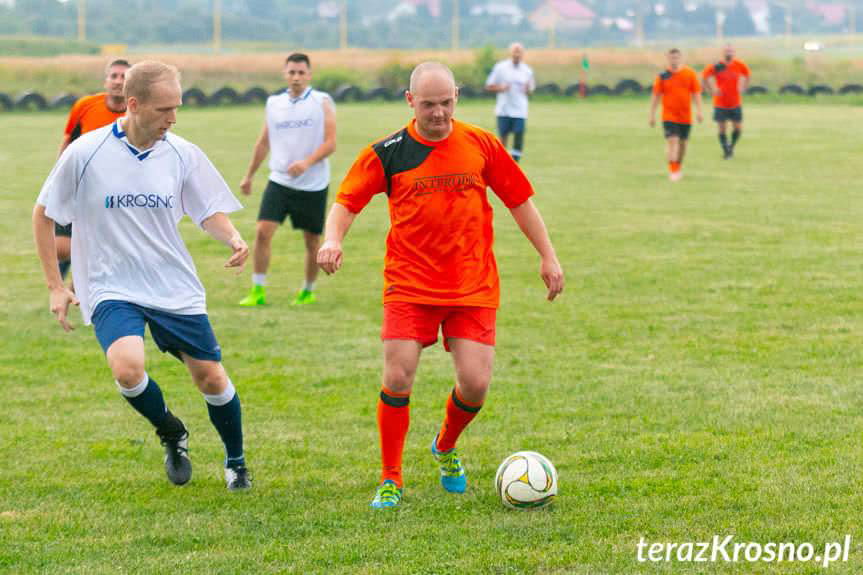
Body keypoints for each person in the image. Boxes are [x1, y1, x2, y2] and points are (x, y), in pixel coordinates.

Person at [317, 62, 564, 509]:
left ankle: (445, 446)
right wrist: (333, 239)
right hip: (410, 284)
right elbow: (347, 201)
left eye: (446, 103)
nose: (438, 113)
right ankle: (391, 478)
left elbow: (520, 200)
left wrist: (547, 255)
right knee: (397, 375)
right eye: (428, 104)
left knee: (475, 385)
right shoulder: (388, 152)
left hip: (472, 284)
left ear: (457, 97)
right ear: (410, 101)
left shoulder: (481, 144)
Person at [33, 61, 252, 491]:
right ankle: (172, 432)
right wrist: (56, 287)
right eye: (164, 109)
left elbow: (206, 208)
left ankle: (236, 460)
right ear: (133, 105)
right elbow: (43, 216)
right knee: (128, 369)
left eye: (177, 108)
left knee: (210, 376)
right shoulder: (86, 153)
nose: (173, 118)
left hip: (171, 283)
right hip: (110, 283)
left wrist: (232, 236)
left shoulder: (182, 153)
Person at [238, 53, 336, 307]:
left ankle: (308, 290)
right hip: (279, 180)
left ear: (309, 75)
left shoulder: (321, 101)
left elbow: (331, 143)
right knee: (262, 232)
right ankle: (257, 289)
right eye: (291, 72)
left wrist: (306, 162)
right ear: (285, 74)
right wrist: (248, 176)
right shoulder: (274, 103)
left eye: (301, 72)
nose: (296, 77)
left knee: (311, 240)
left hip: (313, 183)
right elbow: (263, 142)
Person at [55, 59, 131, 281]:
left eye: (124, 76)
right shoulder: (85, 105)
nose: (118, 81)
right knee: (60, 248)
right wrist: (58, 176)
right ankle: (67, 282)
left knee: (107, 251)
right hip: (78, 187)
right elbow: (68, 141)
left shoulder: (137, 113)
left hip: (113, 195)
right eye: (114, 76)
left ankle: (76, 292)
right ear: (105, 80)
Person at [649, 48, 703, 181]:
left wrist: (699, 111)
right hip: (669, 116)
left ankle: (678, 166)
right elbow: (656, 96)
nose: (674, 60)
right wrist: (652, 114)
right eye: (672, 57)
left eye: (676, 57)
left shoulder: (689, 73)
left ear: (681, 58)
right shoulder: (663, 76)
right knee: (673, 141)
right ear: (667, 58)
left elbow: (696, 93)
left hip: (685, 116)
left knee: (683, 145)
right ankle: (673, 172)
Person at [485, 42, 535, 162]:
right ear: (510, 53)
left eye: (519, 52)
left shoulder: (527, 71)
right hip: (504, 110)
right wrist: (500, 88)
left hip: (520, 111)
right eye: (515, 51)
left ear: (522, 54)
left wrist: (527, 89)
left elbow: (531, 90)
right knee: (503, 137)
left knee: (518, 135)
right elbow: (489, 86)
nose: (517, 54)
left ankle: (515, 162)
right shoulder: (500, 68)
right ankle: (501, 161)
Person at [702, 44, 751, 159]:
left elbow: (747, 75)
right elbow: (704, 77)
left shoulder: (739, 65)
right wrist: (711, 90)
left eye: (731, 51)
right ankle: (727, 152)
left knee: (738, 128)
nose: (729, 53)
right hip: (720, 103)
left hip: (735, 103)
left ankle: (731, 146)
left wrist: (743, 87)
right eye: (727, 51)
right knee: (722, 128)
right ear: (722, 53)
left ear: (734, 53)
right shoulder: (717, 66)